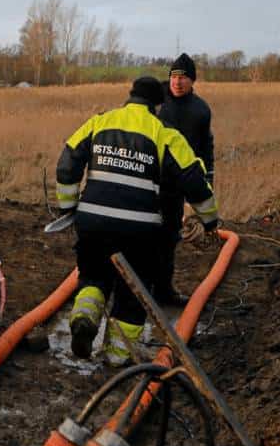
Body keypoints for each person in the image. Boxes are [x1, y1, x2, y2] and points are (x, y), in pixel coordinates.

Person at [55, 77, 218, 366]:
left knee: (93, 276)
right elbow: (193, 180)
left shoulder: (99, 122)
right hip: (139, 230)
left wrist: (68, 207)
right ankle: (117, 357)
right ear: (158, 105)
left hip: (93, 223)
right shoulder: (164, 133)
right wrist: (210, 221)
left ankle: (83, 318)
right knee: (133, 290)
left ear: (130, 96)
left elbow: (68, 162)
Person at [157, 53, 215, 304]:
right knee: (140, 235)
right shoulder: (156, 100)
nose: (178, 82)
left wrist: (206, 185)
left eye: (183, 77)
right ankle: (133, 289)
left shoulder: (201, 110)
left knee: (169, 237)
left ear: (192, 81)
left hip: (177, 185)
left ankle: (163, 291)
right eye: (174, 76)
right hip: (150, 179)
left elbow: (205, 151)